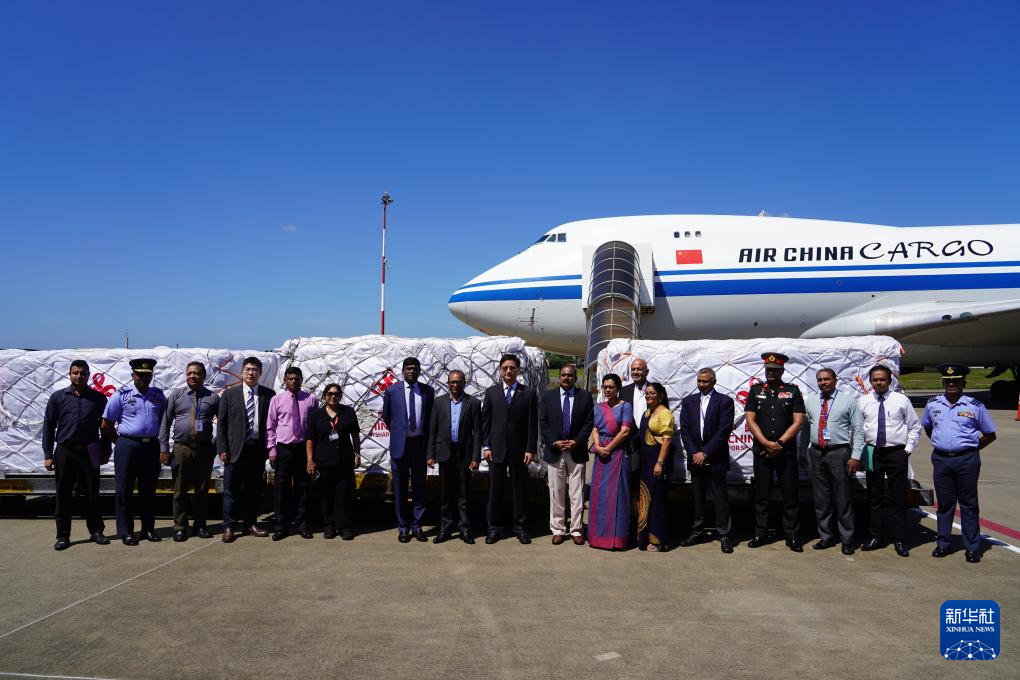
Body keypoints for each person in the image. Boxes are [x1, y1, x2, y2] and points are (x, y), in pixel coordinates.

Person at [922, 364, 997, 563]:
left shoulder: (975, 406)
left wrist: (970, 448)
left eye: (956, 381)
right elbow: (928, 427)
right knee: (944, 504)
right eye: (948, 381)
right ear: (943, 383)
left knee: (968, 504)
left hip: (967, 460)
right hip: (941, 460)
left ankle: (972, 547)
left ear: (964, 382)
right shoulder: (933, 404)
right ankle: (943, 544)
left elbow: (990, 434)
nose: (951, 384)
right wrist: (943, 444)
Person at [42, 359, 111, 550]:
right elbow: (49, 426)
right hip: (65, 450)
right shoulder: (58, 397)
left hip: (91, 450)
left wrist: (105, 451)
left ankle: (96, 531)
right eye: (75, 373)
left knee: (92, 493)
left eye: (82, 373)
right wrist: (48, 454)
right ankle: (63, 536)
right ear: (70, 374)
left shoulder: (98, 398)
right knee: (63, 494)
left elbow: (105, 427)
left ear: (88, 375)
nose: (79, 376)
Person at [101, 358, 168, 546]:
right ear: (133, 375)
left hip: (150, 446)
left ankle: (148, 529)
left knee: (149, 490)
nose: (144, 378)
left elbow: (164, 419)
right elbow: (106, 423)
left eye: (147, 375)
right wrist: (119, 441)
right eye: (140, 375)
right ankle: (126, 531)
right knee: (124, 490)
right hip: (127, 445)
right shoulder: (121, 396)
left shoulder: (158, 396)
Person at [744, 352, 806, 552]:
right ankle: (760, 533)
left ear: (782, 370)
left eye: (775, 370)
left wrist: (779, 444)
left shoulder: (792, 391)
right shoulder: (755, 390)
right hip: (762, 452)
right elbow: (750, 420)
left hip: (785, 453)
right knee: (761, 496)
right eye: (768, 369)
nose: (771, 372)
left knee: (790, 496)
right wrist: (765, 443)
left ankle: (792, 535)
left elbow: (799, 422)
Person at [857, 364, 921, 557]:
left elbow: (915, 427)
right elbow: (857, 428)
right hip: (872, 452)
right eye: (875, 380)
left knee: (897, 497)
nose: (878, 383)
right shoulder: (864, 401)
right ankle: (875, 536)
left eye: (882, 379)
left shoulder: (901, 400)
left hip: (896, 452)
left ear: (889, 380)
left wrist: (907, 450)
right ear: (870, 381)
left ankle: (899, 539)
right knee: (873, 496)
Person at [802, 368, 864, 556]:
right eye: (820, 380)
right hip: (817, 453)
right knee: (821, 498)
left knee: (842, 498)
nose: (823, 383)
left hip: (839, 453)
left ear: (835, 380)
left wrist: (856, 455)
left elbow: (858, 429)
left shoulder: (847, 400)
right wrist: (802, 451)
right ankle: (826, 537)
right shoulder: (811, 401)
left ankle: (847, 539)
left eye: (827, 379)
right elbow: (806, 428)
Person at [159, 361, 220, 542]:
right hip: (181, 449)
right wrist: (164, 449)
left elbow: (223, 423)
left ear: (204, 376)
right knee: (180, 490)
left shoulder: (213, 397)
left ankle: (200, 525)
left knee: (202, 490)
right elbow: (165, 423)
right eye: (189, 373)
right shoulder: (176, 395)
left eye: (197, 373)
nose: (192, 376)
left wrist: (216, 445)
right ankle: (180, 526)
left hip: (204, 449)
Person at [217, 356, 275, 543]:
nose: (251, 373)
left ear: (260, 373)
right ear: (241, 372)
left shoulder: (269, 394)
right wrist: (222, 448)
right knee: (231, 489)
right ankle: (229, 526)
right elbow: (222, 424)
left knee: (253, 489)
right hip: (234, 450)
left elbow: (272, 423)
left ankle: (250, 524)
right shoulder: (229, 394)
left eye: (255, 370)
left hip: (256, 449)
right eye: (248, 369)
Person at [481, 353, 538, 545]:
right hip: (495, 450)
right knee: (494, 492)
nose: (508, 371)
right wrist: (486, 445)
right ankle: (494, 528)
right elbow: (486, 421)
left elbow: (532, 424)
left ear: (518, 370)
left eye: (512, 368)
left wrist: (530, 449)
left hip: (519, 451)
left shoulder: (528, 393)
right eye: (505, 367)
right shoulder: (491, 393)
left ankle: (520, 528)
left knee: (519, 491)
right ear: (500, 370)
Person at [678, 368, 736, 553]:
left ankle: (724, 534)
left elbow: (724, 430)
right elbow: (685, 430)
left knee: (720, 498)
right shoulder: (689, 401)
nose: (701, 384)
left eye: (705, 381)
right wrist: (695, 452)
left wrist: (706, 453)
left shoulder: (725, 401)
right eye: (699, 381)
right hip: (695, 459)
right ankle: (697, 531)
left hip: (716, 458)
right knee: (697, 497)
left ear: (714, 382)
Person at [539, 364, 594, 545]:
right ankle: (558, 529)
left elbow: (589, 422)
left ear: (575, 378)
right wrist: (554, 441)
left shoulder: (584, 396)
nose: (566, 378)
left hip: (576, 451)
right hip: (555, 451)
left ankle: (576, 529)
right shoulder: (548, 396)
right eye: (563, 375)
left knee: (577, 493)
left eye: (570, 375)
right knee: (556, 492)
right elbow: (543, 423)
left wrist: (576, 441)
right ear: (559, 377)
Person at [382, 357, 435, 543]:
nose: (411, 371)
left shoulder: (428, 391)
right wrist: (400, 434)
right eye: (408, 368)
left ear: (419, 371)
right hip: (400, 446)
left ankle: (417, 526)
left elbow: (430, 418)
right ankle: (403, 527)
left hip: (419, 445)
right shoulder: (392, 391)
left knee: (420, 487)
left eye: (415, 368)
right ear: (403, 371)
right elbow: (387, 417)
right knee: (400, 488)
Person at [427, 370, 482, 544]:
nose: (455, 385)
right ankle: (445, 528)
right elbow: (433, 430)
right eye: (452, 382)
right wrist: (430, 454)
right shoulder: (439, 402)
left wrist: (476, 457)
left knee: (463, 494)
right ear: (448, 383)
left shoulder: (473, 403)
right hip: (444, 452)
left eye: (459, 382)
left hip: (464, 453)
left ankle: (464, 528)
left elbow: (477, 432)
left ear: (464, 383)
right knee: (446, 494)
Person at [266, 366, 318, 541]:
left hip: (303, 448)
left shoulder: (311, 399)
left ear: (302, 380)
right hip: (284, 449)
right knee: (282, 488)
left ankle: (302, 524)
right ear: (285, 381)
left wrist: (312, 453)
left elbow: (314, 427)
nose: (294, 381)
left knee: (303, 487)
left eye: (297, 379)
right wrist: (272, 450)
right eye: (290, 379)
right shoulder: (277, 400)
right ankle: (281, 525)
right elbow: (271, 426)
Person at [306, 384, 361, 540]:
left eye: (336, 394)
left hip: (344, 460)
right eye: (330, 394)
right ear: (324, 395)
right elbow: (310, 439)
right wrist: (310, 460)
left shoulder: (348, 412)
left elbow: (355, 435)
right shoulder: (316, 415)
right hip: (323, 462)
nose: (333, 397)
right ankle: (328, 526)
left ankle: (345, 527)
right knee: (326, 496)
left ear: (340, 396)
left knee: (343, 496)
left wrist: (357, 454)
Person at [587, 373, 634, 550]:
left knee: (618, 495)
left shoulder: (625, 407)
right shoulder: (598, 407)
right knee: (599, 495)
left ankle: (616, 539)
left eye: (611, 387)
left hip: (618, 454)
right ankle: (597, 537)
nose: (608, 390)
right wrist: (598, 446)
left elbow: (625, 431)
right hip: (601, 455)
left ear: (618, 388)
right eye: (605, 387)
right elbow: (595, 429)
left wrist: (608, 448)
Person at [636, 382, 673, 551]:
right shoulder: (647, 413)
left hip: (657, 460)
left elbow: (667, 440)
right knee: (644, 498)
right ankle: (643, 538)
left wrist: (659, 463)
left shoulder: (665, 413)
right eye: (647, 393)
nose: (649, 396)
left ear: (661, 395)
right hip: (645, 461)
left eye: (652, 393)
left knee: (657, 500)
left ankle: (658, 540)